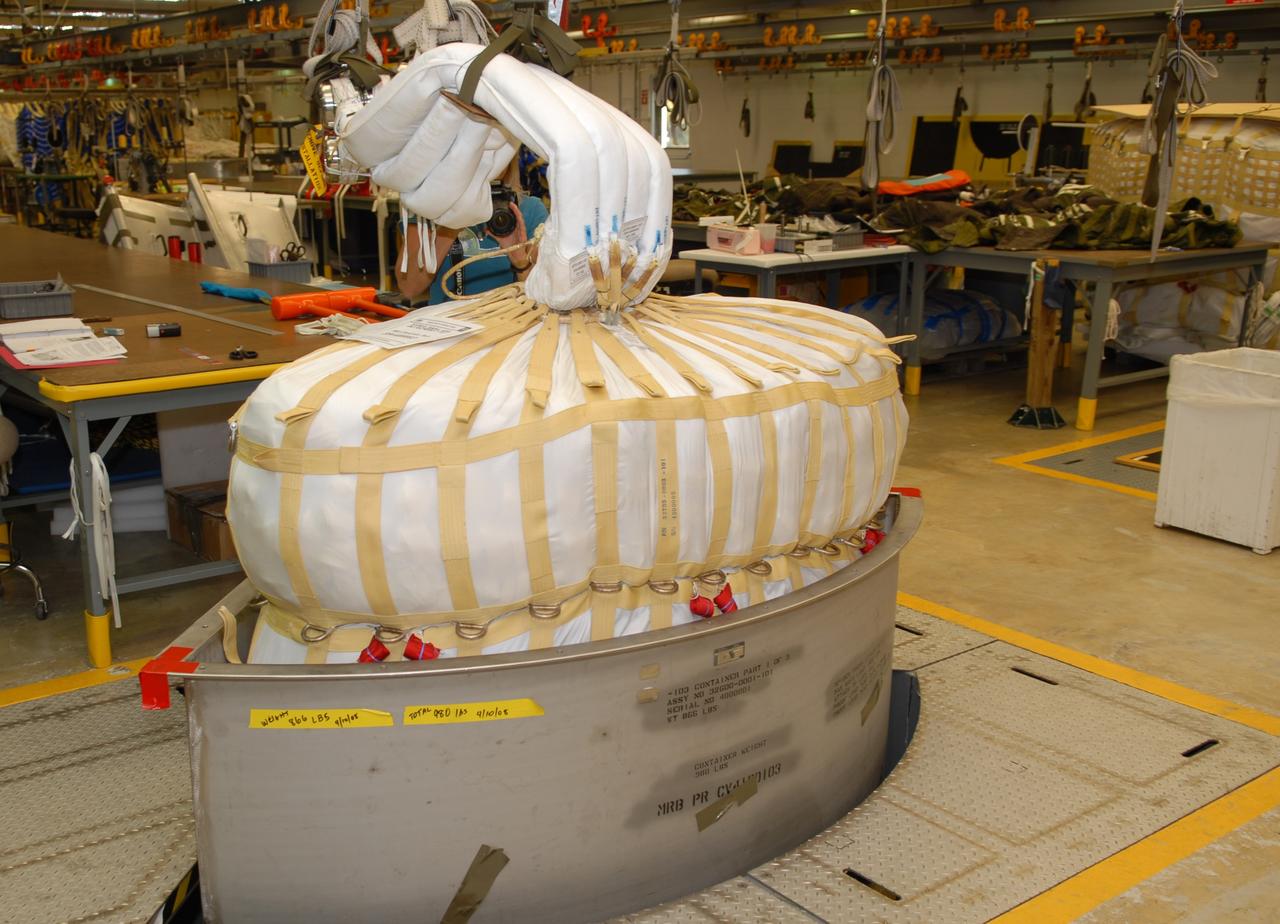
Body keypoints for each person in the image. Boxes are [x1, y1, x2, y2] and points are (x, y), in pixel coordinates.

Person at [395, 161, 547, 303]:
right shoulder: (428, 208)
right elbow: (410, 288)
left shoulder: (528, 210)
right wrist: (453, 222)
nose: (486, 162)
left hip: (506, 325)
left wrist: (521, 262)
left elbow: (543, 299)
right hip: (448, 325)